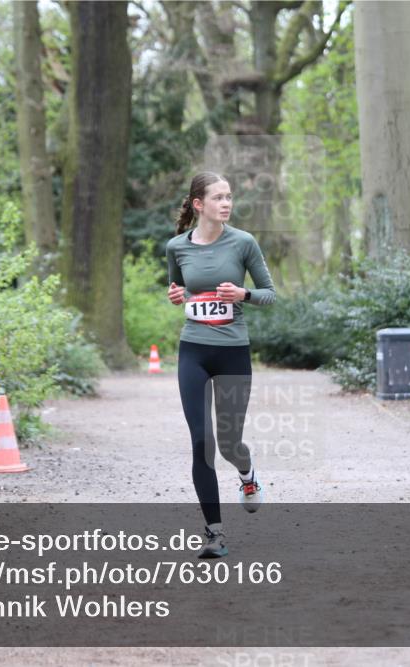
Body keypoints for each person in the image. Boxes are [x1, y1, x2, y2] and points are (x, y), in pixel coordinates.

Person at [165, 172, 276, 559]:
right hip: (193, 350)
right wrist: (177, 296)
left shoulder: (243, 242)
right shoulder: (177, 247)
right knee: (202, 442)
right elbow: (178, 290)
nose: (226, 203)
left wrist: (243, 293)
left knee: (229, 444)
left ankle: (246, 475)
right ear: (199, 204)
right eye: (218, 197)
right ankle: (214, 533)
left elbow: (270, 295)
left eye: (229, 197)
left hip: (233, 352)